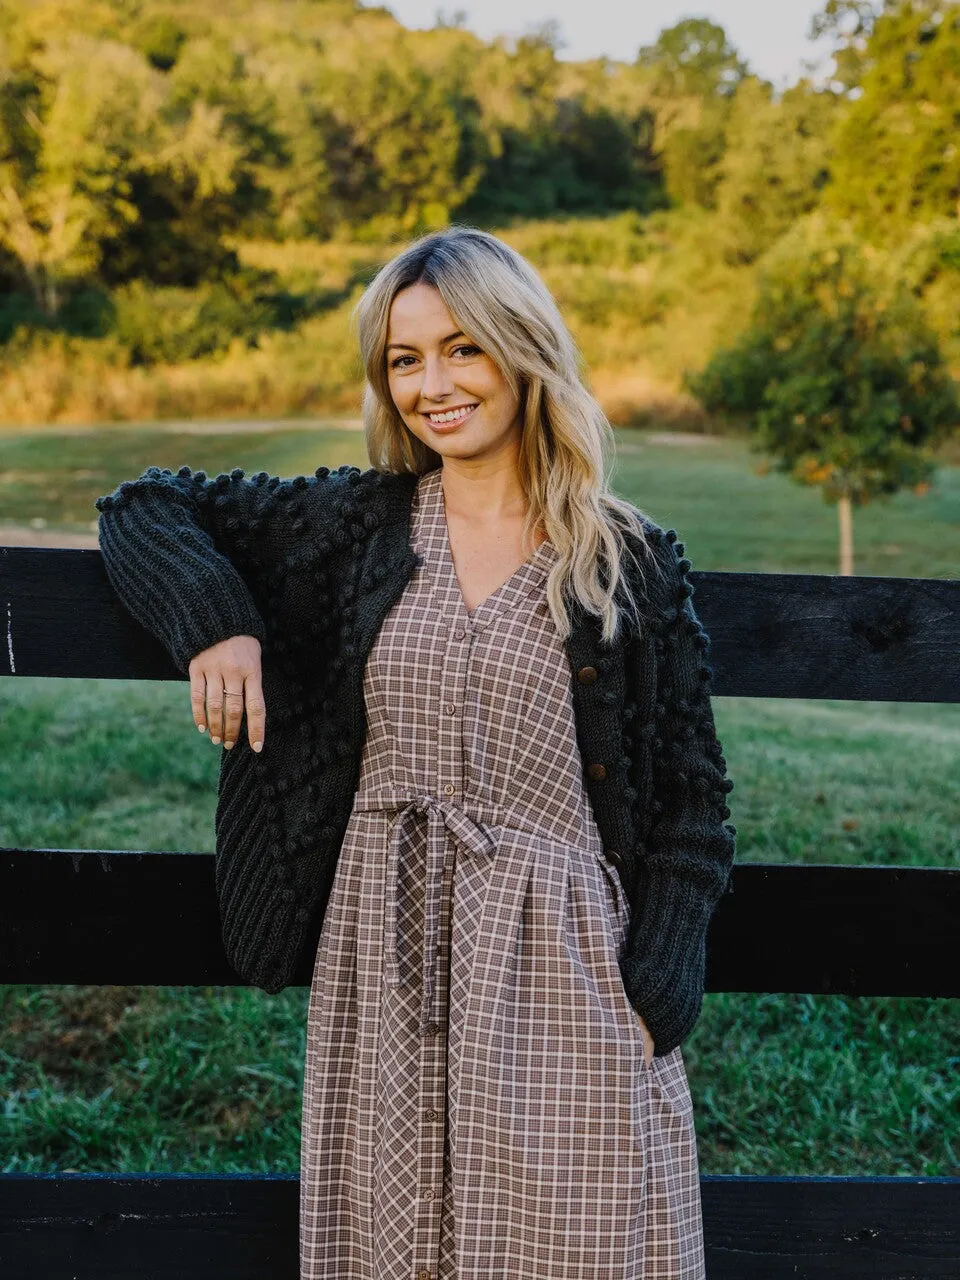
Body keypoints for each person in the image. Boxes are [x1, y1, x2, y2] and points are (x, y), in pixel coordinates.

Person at [95, 225, 737, 1280]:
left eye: (461, 349)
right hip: (384, 967)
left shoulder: (627, 562)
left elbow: (692, 802)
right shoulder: (354, 526)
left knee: (576, 1248)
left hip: (566, 975)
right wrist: (216, 617)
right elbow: (145, 505)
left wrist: (652, 985)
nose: (431, 384)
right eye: (404, 359)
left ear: (521, 348)